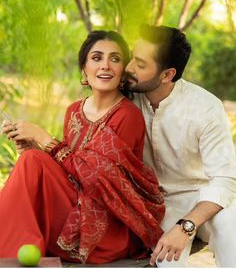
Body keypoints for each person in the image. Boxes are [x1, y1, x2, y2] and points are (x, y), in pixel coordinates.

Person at [0, 30, 165, 264]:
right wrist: (34, 145)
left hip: (104, 226)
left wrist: (44, 138)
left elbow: (96, 178)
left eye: (115, 59)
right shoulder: (74, 110)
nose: (105, 66)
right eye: (97, 58)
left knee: (33, 161)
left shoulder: (128, 116)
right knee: (32, 159)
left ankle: (6, 254)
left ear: (123, 71)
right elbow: (70, 170)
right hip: (72, 204)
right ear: (84, 69)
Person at [125, 24, 236, 267]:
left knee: (232, 225)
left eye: (140, 64)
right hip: (156, 205)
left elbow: (225, 179)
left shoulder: (205, 107)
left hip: (203, 200)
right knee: (165, 262)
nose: (128, 68)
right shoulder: (125, 100)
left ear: (167, 75)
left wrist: (186, 226)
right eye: (132, 57)